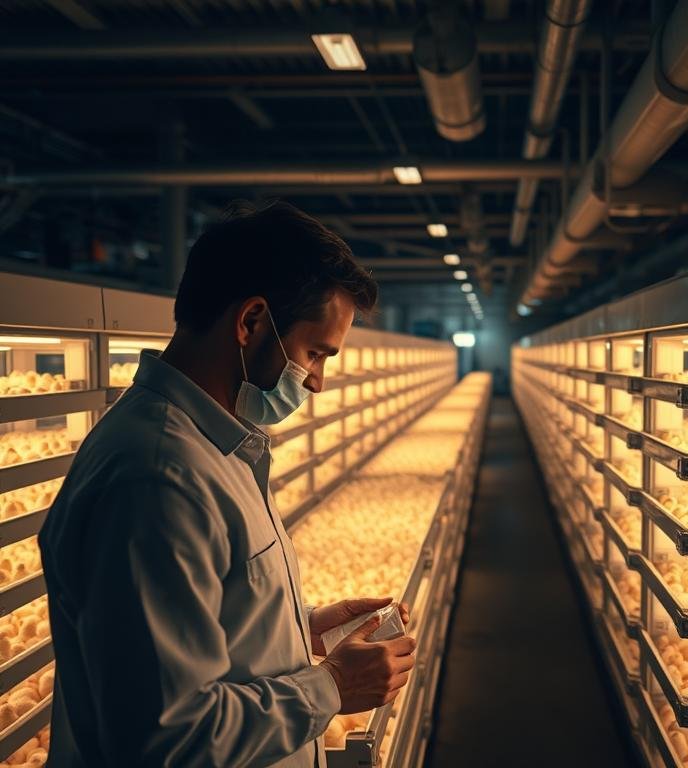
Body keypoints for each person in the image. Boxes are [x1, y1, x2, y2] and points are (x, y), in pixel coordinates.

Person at [39, 201, 417, 767]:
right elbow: (164, 739)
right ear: (252, 322)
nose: (317, 382)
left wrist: (301, 629)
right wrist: (332, 687)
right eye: (315, 353)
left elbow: (203, 625)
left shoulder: (219, 445)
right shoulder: (157, 479)